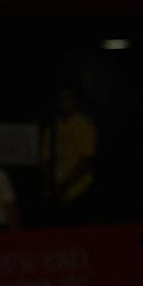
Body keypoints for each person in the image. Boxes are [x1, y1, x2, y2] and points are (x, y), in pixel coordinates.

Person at [40, 83, 98, 226]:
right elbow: (46, 157)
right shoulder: (54, 124)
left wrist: (66, 185)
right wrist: (50, 183)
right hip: (54, 190)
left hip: (78, 190)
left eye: (68, 98)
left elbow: (86, 159)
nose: (64, 102)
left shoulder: (83, 125)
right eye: (61, 98)